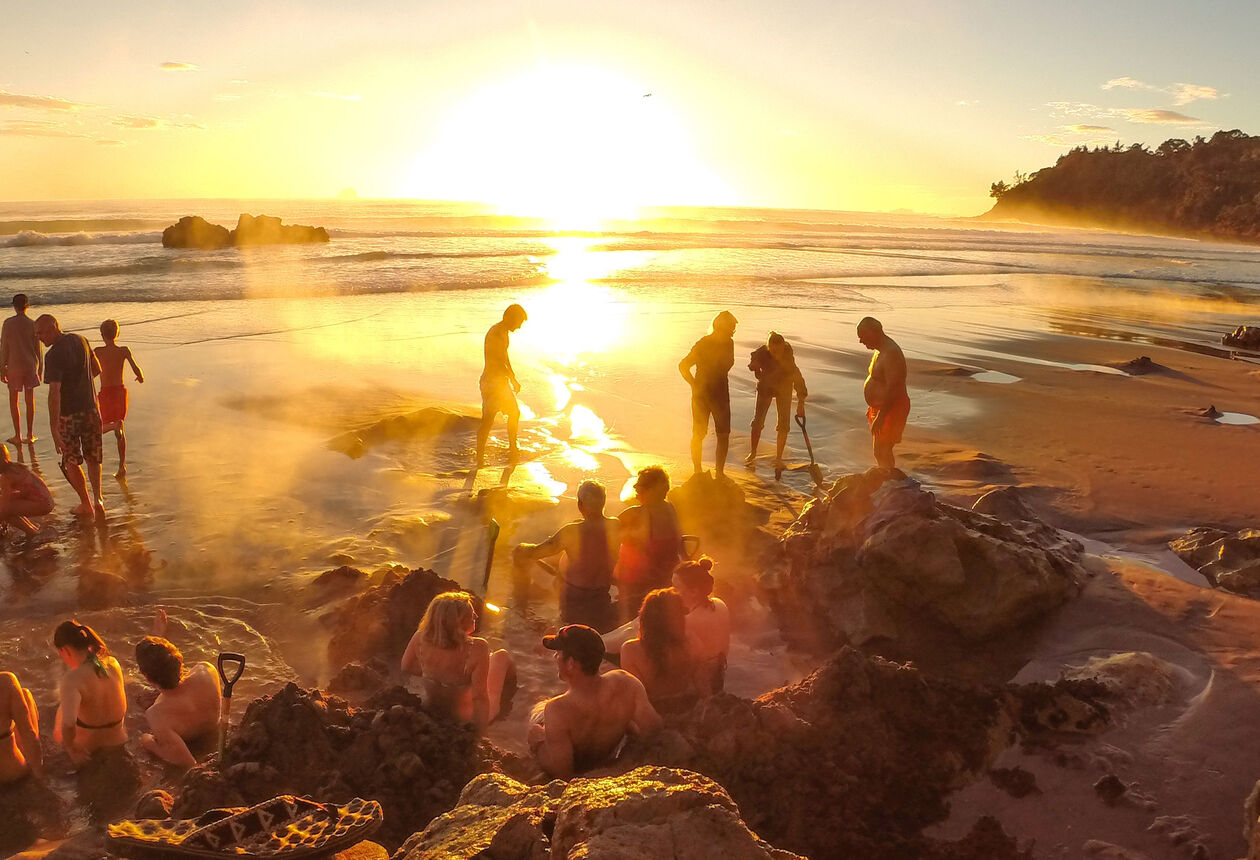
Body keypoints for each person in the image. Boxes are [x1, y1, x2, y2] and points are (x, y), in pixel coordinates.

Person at [528, 624, 662, 779]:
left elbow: (563, 773)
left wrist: (538, 744)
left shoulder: (558, 710)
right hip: (608, 758)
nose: (554, 657)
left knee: (538, 712)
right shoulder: (626, 683)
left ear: (571, 663)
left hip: (582, 769)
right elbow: (653, 728)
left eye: (558, 653)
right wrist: (624, 726)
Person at [513, 481, 619, 632]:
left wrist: (522, 549)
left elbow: (538, 552)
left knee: (573, 633)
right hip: (601, 598)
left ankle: (518, 610)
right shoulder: (615, 525)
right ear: (603, 503)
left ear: (580, 505)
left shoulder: (572, 531)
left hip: (575, 602)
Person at [400, 591, 514, 732]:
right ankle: (515, 692)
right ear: (459, 621)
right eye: (471, 614)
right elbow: (480, 698)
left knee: (488, 661)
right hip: (463, 717)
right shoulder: (478, 646)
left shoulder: (420, 637)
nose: (476, 616)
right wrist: (478, 734)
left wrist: (436, 675)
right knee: (501, 656)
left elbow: (406, 666)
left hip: (431, 708)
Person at [35, 315, 104, 517]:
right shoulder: (82, 340)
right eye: (37, 334)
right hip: (91, 409)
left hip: (68, 414)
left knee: (70, 460)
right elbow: (97, 368)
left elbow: (54, 392)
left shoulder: (53, 355)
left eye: (41, 332)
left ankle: (86, 504)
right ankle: (98, 498)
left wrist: (54, 426)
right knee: (93, 457)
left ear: (54, 327)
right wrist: (82, 383)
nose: (39, 337)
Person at [133, 610, 220, 769]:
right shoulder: (206, 670)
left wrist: (148, 742)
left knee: (141, 708)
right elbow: (176, 675)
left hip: (191, 740)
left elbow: (187, 762)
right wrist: (159, 640)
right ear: (178, 658)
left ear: (145, 676)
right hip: (213, 727)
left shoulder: (156, 714)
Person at [52, 620, 127, 765]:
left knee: (62, 710)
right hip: (118, 741)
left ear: (65, 650)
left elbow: (68, 724)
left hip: (88, 751)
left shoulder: (72, 679)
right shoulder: (113, 663)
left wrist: (70, 747)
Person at [616, 465, 684, 621]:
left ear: (651, 490)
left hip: (645, 580)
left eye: (639, 485)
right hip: (669, 574)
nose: (634, 487)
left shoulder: (637, 513)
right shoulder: (669, 507)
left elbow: (605, 530)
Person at [679, 310, 737, 478]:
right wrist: (694, 385)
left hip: (720, 394)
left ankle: (719, 472)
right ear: (720, 327)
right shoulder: (703, 343)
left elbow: (726, 366)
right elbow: (683, 365)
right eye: (731, 328)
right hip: (703, 395)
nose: (733, 331)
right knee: (699, 433)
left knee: (723, 434)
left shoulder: (729, 343)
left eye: (733, 329)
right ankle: (697, 470)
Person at [619, 589, 695, 711]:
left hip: (655, 709)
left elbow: (638, 695)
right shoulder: (691, 642)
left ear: (644, 617)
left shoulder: (630, 649)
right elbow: (703, 687)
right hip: (688, 706)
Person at [746, 331, 808, 470]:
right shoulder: (762, 352)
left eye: (779, 350)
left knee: (784, 424)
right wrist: (753, 366)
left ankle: (779, 458)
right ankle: (753, 452)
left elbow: (798, 378)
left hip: (784, 388)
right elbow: (753, 360)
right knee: (758, 421)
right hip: (765, 387)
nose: (776, 354)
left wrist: (801, 401)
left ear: (783, 347)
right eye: (773, 351)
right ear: (768, 347)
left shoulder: (788, 357)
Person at [475, 304, 527, 467]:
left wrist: (513, 377)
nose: (519, 326)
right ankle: (481, 456)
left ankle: (511, 449)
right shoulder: (496, 333)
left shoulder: (503, 332)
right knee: (489, 421)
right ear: (510, 317)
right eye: (519, 322)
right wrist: (510, 379)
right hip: (492, 384)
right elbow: (497, 361)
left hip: (499, 382)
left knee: (512, 413)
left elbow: (505, 357)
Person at [672, 557, 731, 695]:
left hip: (696, 689)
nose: (671, 591)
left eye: (676, 587)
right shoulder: (720, 604)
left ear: (694, 592)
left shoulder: (688, 622)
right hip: (718, 678)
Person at [93, 319, 144, 479]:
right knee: (120, 430)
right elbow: (136, 368)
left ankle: (113, 427)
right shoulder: (124, 350)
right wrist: (140, 377)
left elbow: (91, 372)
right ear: (117, 333)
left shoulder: (98, 351)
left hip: (105, 392)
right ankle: (122, 466)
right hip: (120, 392)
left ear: (102, 335)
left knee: (97, 428)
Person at [857, 316, 909, 470]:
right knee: (880, 451)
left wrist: (881, 415)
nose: (861, 341)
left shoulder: (891, 353)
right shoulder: (881, 350)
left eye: (863, 336)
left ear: (874, 333)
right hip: (883, 408)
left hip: (893, 408)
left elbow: (895, 388)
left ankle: (890, 481)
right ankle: (887, 480)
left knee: (882, 450)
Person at [0, 295, 42, 445]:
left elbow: (4, 347)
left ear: (14, 306)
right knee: (30, 400)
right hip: (30, 365)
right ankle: (30, 434)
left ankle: (18, 435)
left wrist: (2, 367)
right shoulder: (33, 324)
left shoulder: (8, 323)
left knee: (14, 401)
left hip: (13, 365)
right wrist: (41, 367)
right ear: (27, 306)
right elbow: (39, 349)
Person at [0, 444, 52, 536]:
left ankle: (32, 532)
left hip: (42, 503)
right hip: (47, 500)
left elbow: (4, 506)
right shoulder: (16, 468)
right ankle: (33, 529)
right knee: (8, 506)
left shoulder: (6, 477)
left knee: (7, 510)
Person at [0, 671, 41, 783]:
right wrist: (38, 775)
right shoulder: (5, 681)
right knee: (26, 695)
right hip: (10, 773)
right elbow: (29, 734)